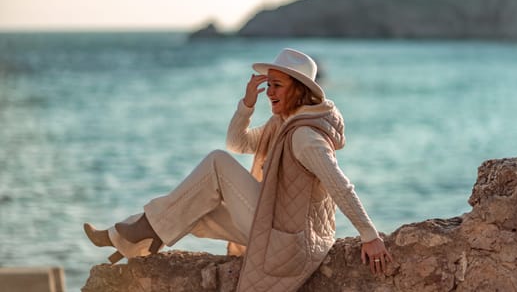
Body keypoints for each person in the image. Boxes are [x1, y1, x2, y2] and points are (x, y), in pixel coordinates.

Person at [84, 48, 392, 291]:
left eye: (277, 85)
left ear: (298, 90)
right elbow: (239, 143)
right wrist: (246, 105)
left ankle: (132, 234)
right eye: (268, 84)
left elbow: (340, 185)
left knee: (217, 163)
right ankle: (133, 235)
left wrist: (369, 235)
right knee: (192, 207)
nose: (269, 91)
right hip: (280, 227)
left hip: (290, 240)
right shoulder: (282, 124)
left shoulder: (304, 137)